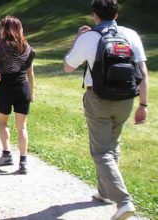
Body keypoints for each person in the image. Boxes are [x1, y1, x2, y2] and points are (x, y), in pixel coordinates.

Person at [63, 0, 148, 219]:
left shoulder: (89, 37)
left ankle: (123, 201)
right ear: (116, 15)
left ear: (95, 16)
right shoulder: (131, 35)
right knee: (113, 145)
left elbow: (68, 66)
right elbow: (143, 73)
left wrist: (77, 39)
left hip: (98, 98)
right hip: (127, 99)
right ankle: (105, 193)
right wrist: (143, 105)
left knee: (101, 151)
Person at [0, 16, 35, 175]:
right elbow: (30, 73)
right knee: (22, 127)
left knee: (3, 123)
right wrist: (32, 92)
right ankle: (23, 161)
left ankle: (6, 154)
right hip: (22, 87)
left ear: (6, 29)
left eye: (1, 28)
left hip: (6, 88)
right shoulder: (27, 47)